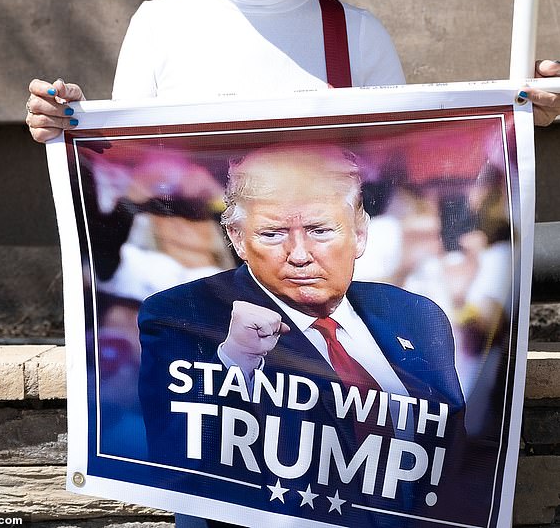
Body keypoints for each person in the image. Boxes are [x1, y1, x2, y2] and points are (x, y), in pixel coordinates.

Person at [24, 0, 559, 528]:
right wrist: (67, 123)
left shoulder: (356, 35)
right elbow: (127, 181)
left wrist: (520, 117)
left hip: (351, 446)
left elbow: (414, 182)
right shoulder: (160, 27)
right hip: (222, 429)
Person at [138, 144, 467, 527]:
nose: (299, 254)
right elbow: (178, 462)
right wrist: (235, 362)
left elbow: (454, 455)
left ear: (359, 233)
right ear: (238, 238)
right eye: (273, 233)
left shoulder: (416, 315)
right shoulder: (185, 313)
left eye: (320, 230)